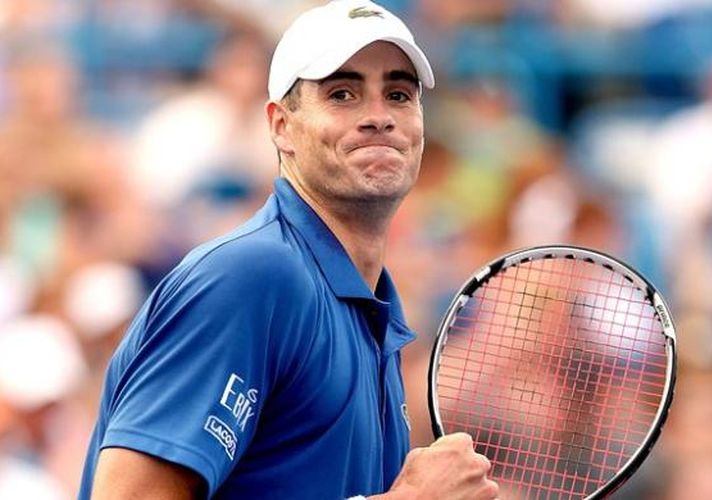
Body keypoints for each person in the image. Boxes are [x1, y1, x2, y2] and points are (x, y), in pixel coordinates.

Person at [77, 1, 500, 499]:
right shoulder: (250, 277)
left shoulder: (373, 313)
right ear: (281, 126)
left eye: (399, 94)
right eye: (342, 93)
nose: (379, 117)